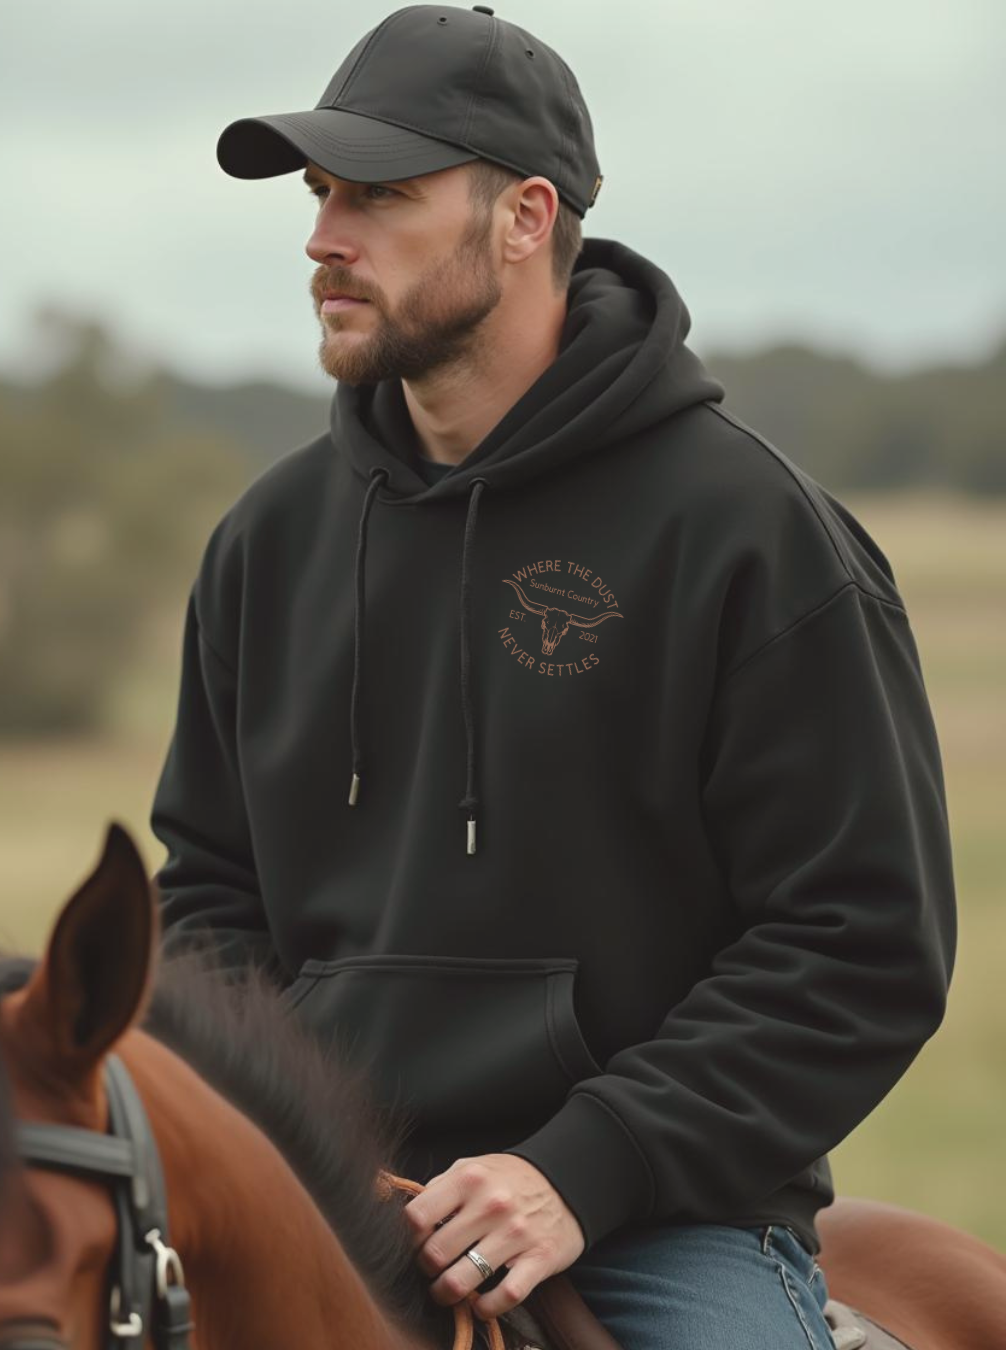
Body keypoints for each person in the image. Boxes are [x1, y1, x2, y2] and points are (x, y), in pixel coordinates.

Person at [149, 6, 957, 1347]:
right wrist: (296, 1145)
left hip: (658, 1215)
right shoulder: (269, 540)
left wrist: (581, 1166)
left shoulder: (747, 531)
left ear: (525, 216)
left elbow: (861, 943)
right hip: (323, 1191)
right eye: (318, 194)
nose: (322, 237)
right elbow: (208, 900)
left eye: (380, 195)